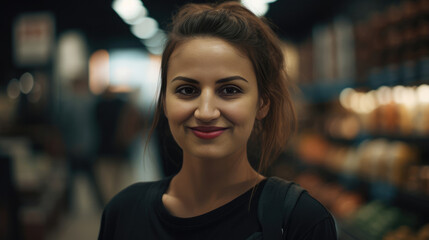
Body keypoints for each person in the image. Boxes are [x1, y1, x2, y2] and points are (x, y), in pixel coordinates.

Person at [98, 2, 337, 239]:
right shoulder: (123, 214)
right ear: (164, 103)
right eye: (187, 90)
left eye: (230, 90)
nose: (205, 112)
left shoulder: (301, 222)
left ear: (262, 103)